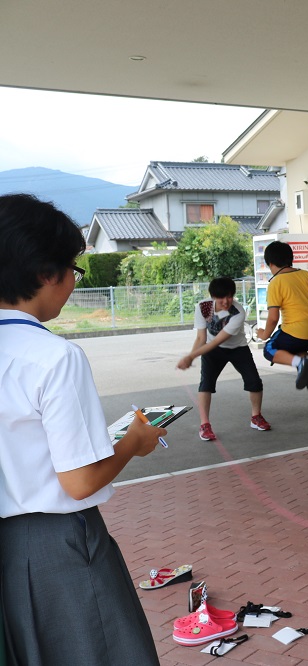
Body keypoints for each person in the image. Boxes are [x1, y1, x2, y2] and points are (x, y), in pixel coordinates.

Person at [0, 193, 164, 665]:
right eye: (73, 268)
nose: (74, 281)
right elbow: (79, 481)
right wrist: (133, 442)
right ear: (45, 273)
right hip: (59, 546)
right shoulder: (55, 358)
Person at [177, 276, 269, 441]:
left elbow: (219, 340)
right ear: (213, 296)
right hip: (212, 350)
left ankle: (256, 417)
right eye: (221, 298)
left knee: (254, 381)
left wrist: (191, 356)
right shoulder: (203, 307)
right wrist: (191, 355)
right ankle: (205, 425)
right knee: (206, 384)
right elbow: (201, 338)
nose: (226, 301)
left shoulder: (238, 312)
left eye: (229, 296)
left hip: (237, 348)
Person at [256, 240, 308, 390]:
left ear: (270, 264)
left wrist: (264, 334)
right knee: (294, 347)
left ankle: (302, 363)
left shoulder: (276, 282)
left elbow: (273, 318)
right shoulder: (306, 275)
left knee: (269, 349)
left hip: (297, 333)